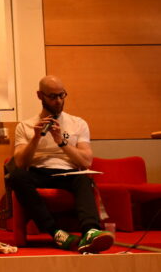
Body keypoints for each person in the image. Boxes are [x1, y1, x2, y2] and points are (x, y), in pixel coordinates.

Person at [9, 75, 113, 253]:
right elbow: (20, 162)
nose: (58, 101)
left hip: (67, 173)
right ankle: (56, 232)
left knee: (84, 179)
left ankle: (90, 231)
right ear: (40, 96)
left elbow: (86, 160)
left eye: (62, 95)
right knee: (16, 176)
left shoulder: (78, 123)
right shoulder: (24, 126)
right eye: (52, 96)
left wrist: (61, 141)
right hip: (38, 172)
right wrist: (36, 138)